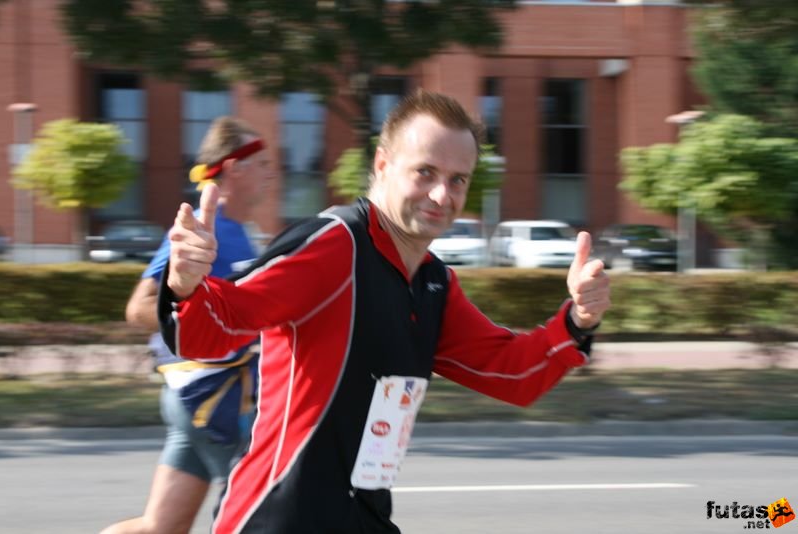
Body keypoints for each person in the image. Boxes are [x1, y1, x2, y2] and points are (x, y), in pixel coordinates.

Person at [158, 91, 611, 533]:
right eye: (425, 172)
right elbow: (213, 328)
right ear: (382, 165)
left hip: (364, 514)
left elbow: (514, 373)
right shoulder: (334, 246)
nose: (441, 195)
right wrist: (184, 284)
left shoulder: (434, 283)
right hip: (282, 515)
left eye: (458, 179)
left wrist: (577, 321)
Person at [101, 116, 273, 534]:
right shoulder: (201, 228)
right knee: (267, 516)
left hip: (209, 402)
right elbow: (139, 307)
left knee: (160, 528)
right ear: (236, 169)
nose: (271, 173)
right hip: (211, 403)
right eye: (263, 164)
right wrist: (200, 323)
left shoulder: (239, 234)